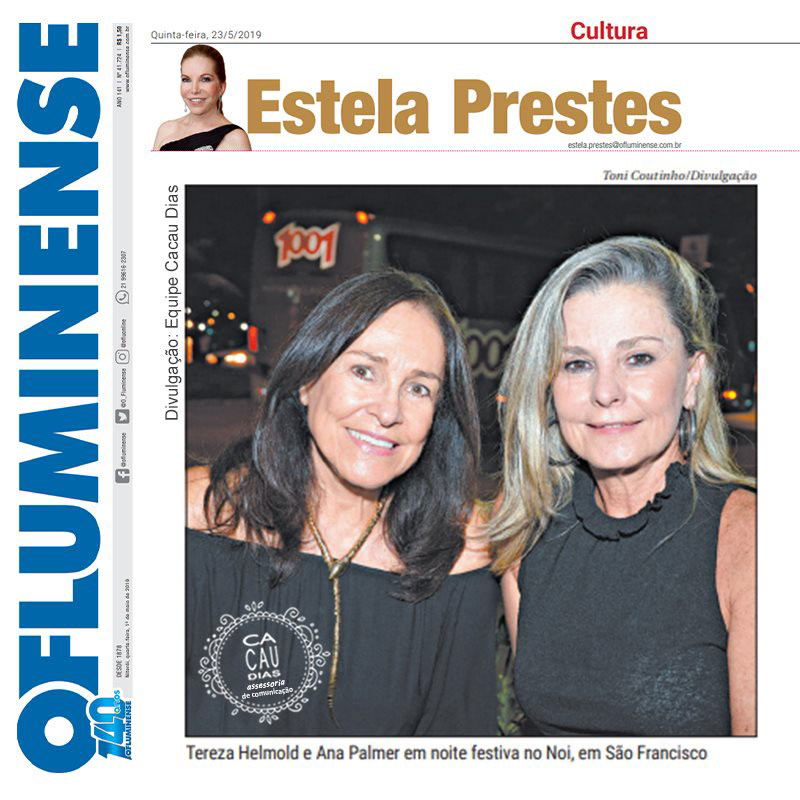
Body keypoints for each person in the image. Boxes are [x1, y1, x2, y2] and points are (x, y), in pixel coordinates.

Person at [186, 270, 497, 735]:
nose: (389, 412)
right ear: (307, 381)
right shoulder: (200, 518)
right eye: (364, 371)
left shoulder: (458, 553)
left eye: (419, 388)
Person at [490, 236, 755, 736]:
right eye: (577, 364)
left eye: (638, 358)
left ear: (692, 377)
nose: (605, 392)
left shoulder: (746, 539)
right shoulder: (529, 528)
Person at [153, 45, 251, 151]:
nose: (194, 90)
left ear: (222, 87)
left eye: (205, 79)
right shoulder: (166, 130)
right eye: (186, 79)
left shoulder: (235, 139)